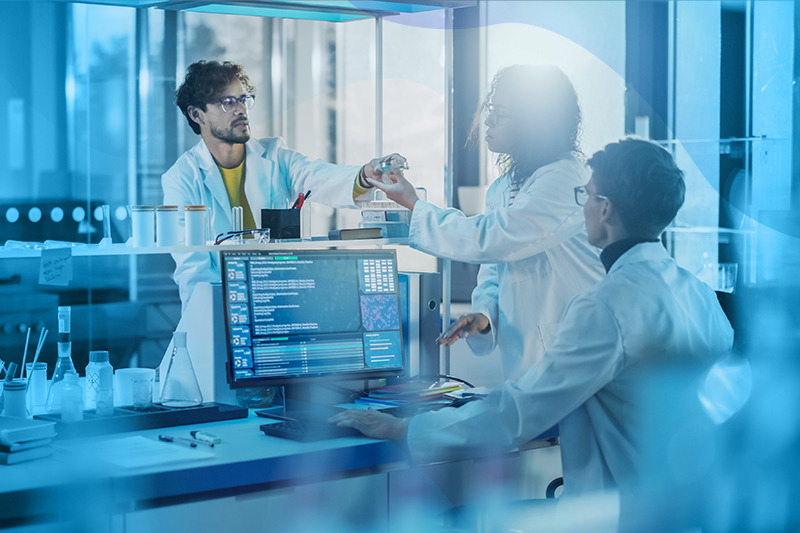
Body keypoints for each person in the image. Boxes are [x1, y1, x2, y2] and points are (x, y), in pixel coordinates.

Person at [330, 138, 734, 500]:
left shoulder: (605, 306)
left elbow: (516, 414)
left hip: (619, 513)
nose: (582, 204)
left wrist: (402, 429)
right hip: (691, 505)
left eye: (587, 195)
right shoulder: (697, 294)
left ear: (605, 209)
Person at [367, 65, 604, 381]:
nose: (488, 121)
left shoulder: (564, 180)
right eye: (491, 110)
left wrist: (414, 204)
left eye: (501, 115)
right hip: (532, 360)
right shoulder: (505, 187)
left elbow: (497, 238)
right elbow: (496, 266)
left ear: (536, 124)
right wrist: (484, 315)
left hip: (578, 354)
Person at [163, 60, 406, 308]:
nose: (241, 110)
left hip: (279, 300)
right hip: (224, 308)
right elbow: (193, 269)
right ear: (196, 114)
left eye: (243, 99)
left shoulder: (275, 155)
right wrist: (213, 324)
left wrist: (365, 175)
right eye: (228, 102)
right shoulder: (182, 179)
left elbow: (317, 176)